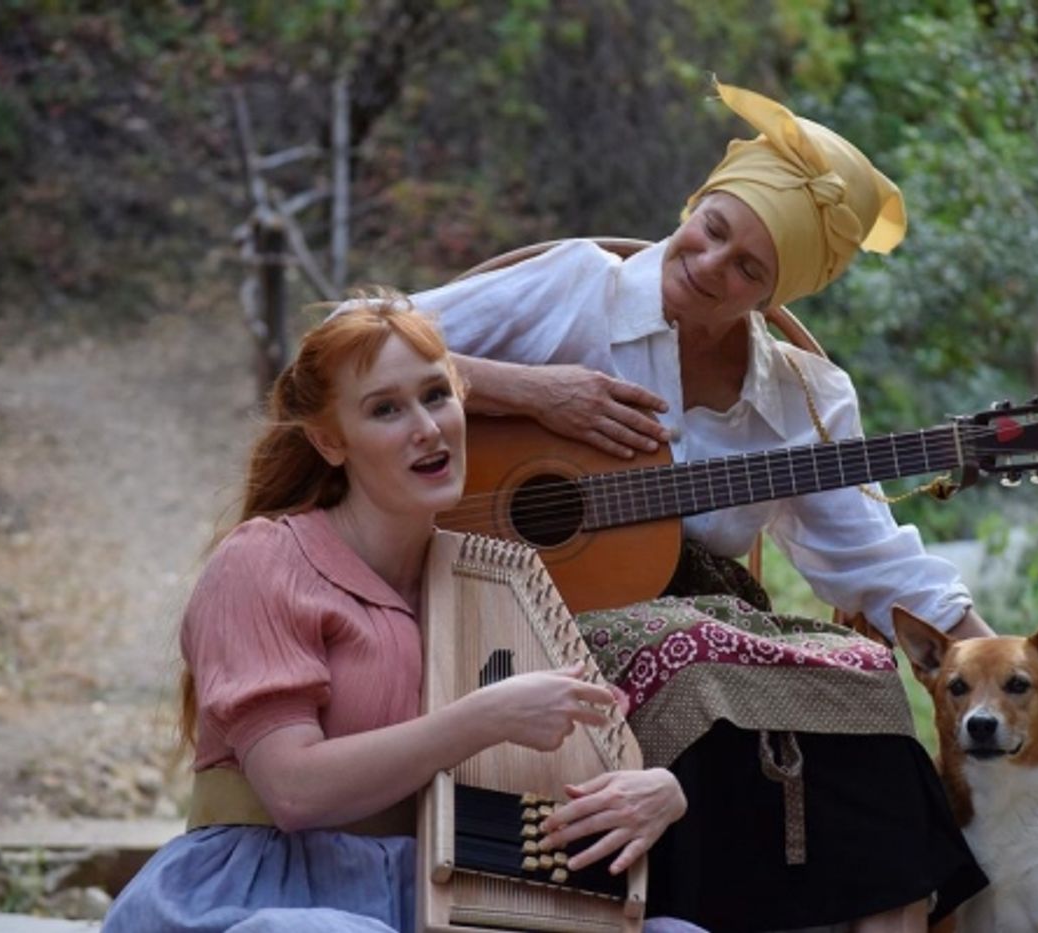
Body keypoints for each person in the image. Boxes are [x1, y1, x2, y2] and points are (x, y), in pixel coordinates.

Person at [404, 81, 996, 932]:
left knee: (865, 685)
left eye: (749, 268)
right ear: (695, 205)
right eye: (713, 229)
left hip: (702, 636)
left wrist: (1018, 677)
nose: (712, 264)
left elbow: (876, 560)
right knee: (698, 660)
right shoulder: (581, 288)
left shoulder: (800, 396)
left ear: (773, 294)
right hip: (497, 612)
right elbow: (361, 340)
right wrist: (535, 393)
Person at [102, 293, 697, 933]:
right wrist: (486, 716)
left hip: (441, 891)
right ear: (331, 442)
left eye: (437, 396)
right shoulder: (263, 561)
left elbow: (571, 770)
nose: (427, 427)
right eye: (386, 409)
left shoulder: (496, 581)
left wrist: (654, 793)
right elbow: (294, 791)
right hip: (266, 889)